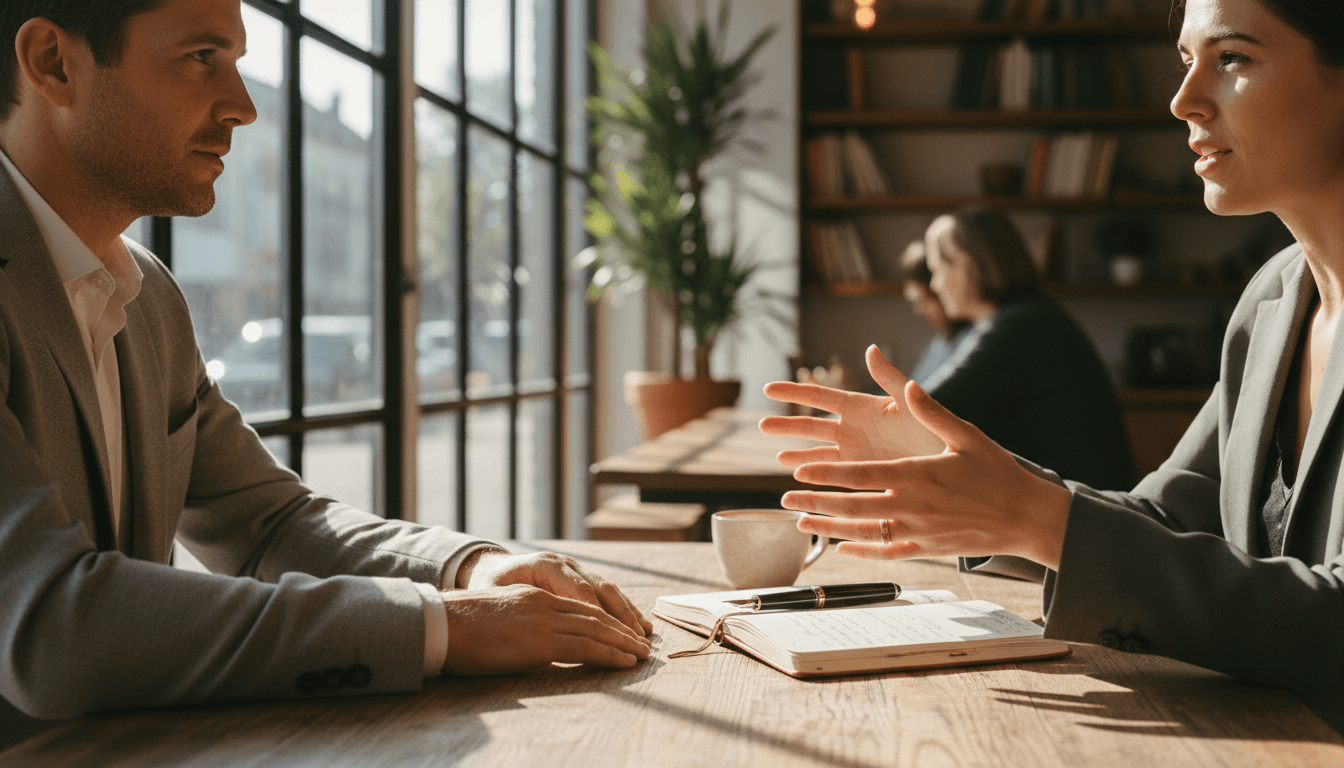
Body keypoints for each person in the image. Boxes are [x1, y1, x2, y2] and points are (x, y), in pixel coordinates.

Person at [0, 0, 651, 736]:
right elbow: (52, 627)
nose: (243, 107)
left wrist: (469, 572)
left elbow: (269, 523)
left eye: (239, 64)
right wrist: (444, 627)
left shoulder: (145, 297)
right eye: (201, 59)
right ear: (53, 63)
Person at [759, 0, 1344, 727]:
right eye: (1186, 61)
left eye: (1232, 59)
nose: (1183, 99)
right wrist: (1003, 504)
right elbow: (1165, 516)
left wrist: (1042, 521)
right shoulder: (1272, 300)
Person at [917, 207, 1134, 490]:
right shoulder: (1027, 317)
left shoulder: (1017, 327)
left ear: (964, 266)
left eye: (936, 270)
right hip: (1074, 504)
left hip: (1084, 514)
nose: (935, 285)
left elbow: (924, 410)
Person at [896, 239, 971, 385]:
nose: (919, 311)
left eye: (923, 300)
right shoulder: (940, 343)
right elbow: (913, 390)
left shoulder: (971, 342)